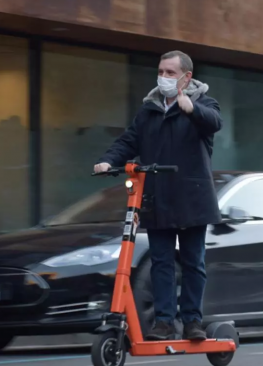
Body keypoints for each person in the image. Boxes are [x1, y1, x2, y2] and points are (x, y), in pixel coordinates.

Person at [94, 50, 222, 341]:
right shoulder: (149, 110)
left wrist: (192, 109)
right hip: (157, 196)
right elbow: (129, 140)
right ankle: (164, 322)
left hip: (192, 196)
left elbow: (214, 122)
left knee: (192, 262)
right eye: (161, 72)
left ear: (186, 77)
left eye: (170, 73)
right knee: (161, 263)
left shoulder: (203, 103)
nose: (163, 77)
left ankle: (192, 322)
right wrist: (107, 160)